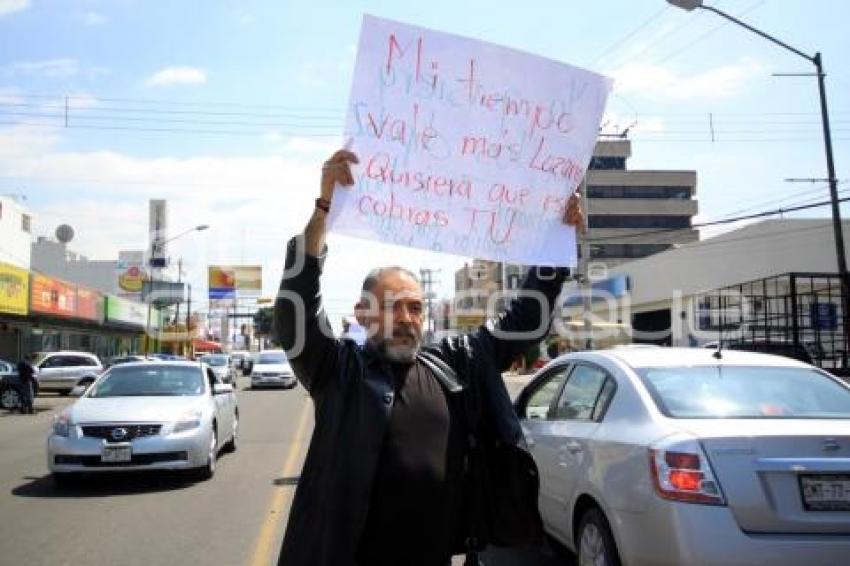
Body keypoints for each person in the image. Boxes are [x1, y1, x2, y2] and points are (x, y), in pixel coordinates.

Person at [274, 149, 584, 566]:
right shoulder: (338, 371)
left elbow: (525, 320)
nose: (406, 318)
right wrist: (325, 209)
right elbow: (296, 312)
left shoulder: (456, 364)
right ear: (362, 313)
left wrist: (555, 242)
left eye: (416, 307)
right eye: (393, 306)